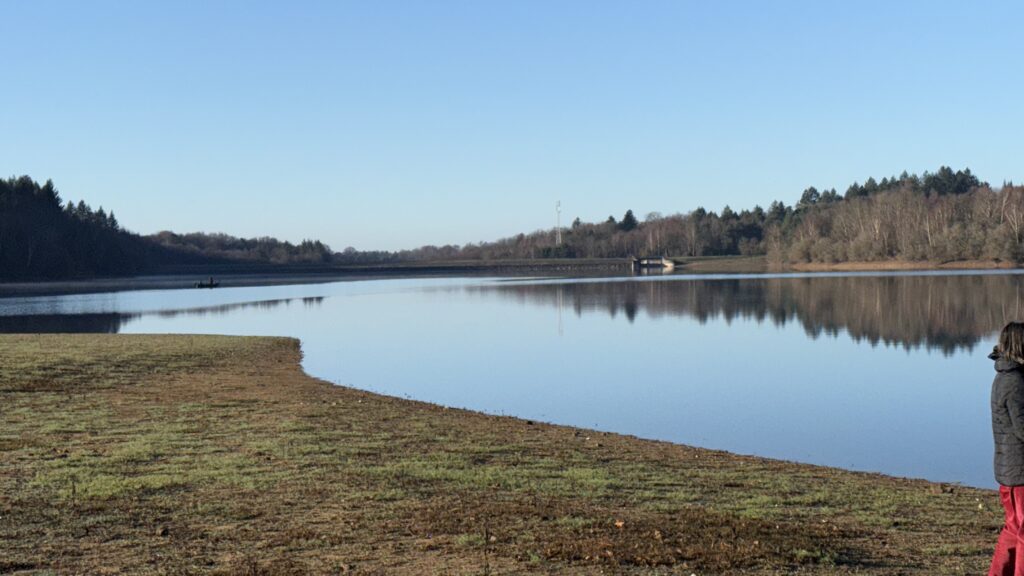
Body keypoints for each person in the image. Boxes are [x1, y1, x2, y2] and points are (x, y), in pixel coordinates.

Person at [990, 321, 1024, 576]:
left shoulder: (1004, 377)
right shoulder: (1015, 383)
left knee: (1014, 528)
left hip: (1009, 469)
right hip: (1019, 471)